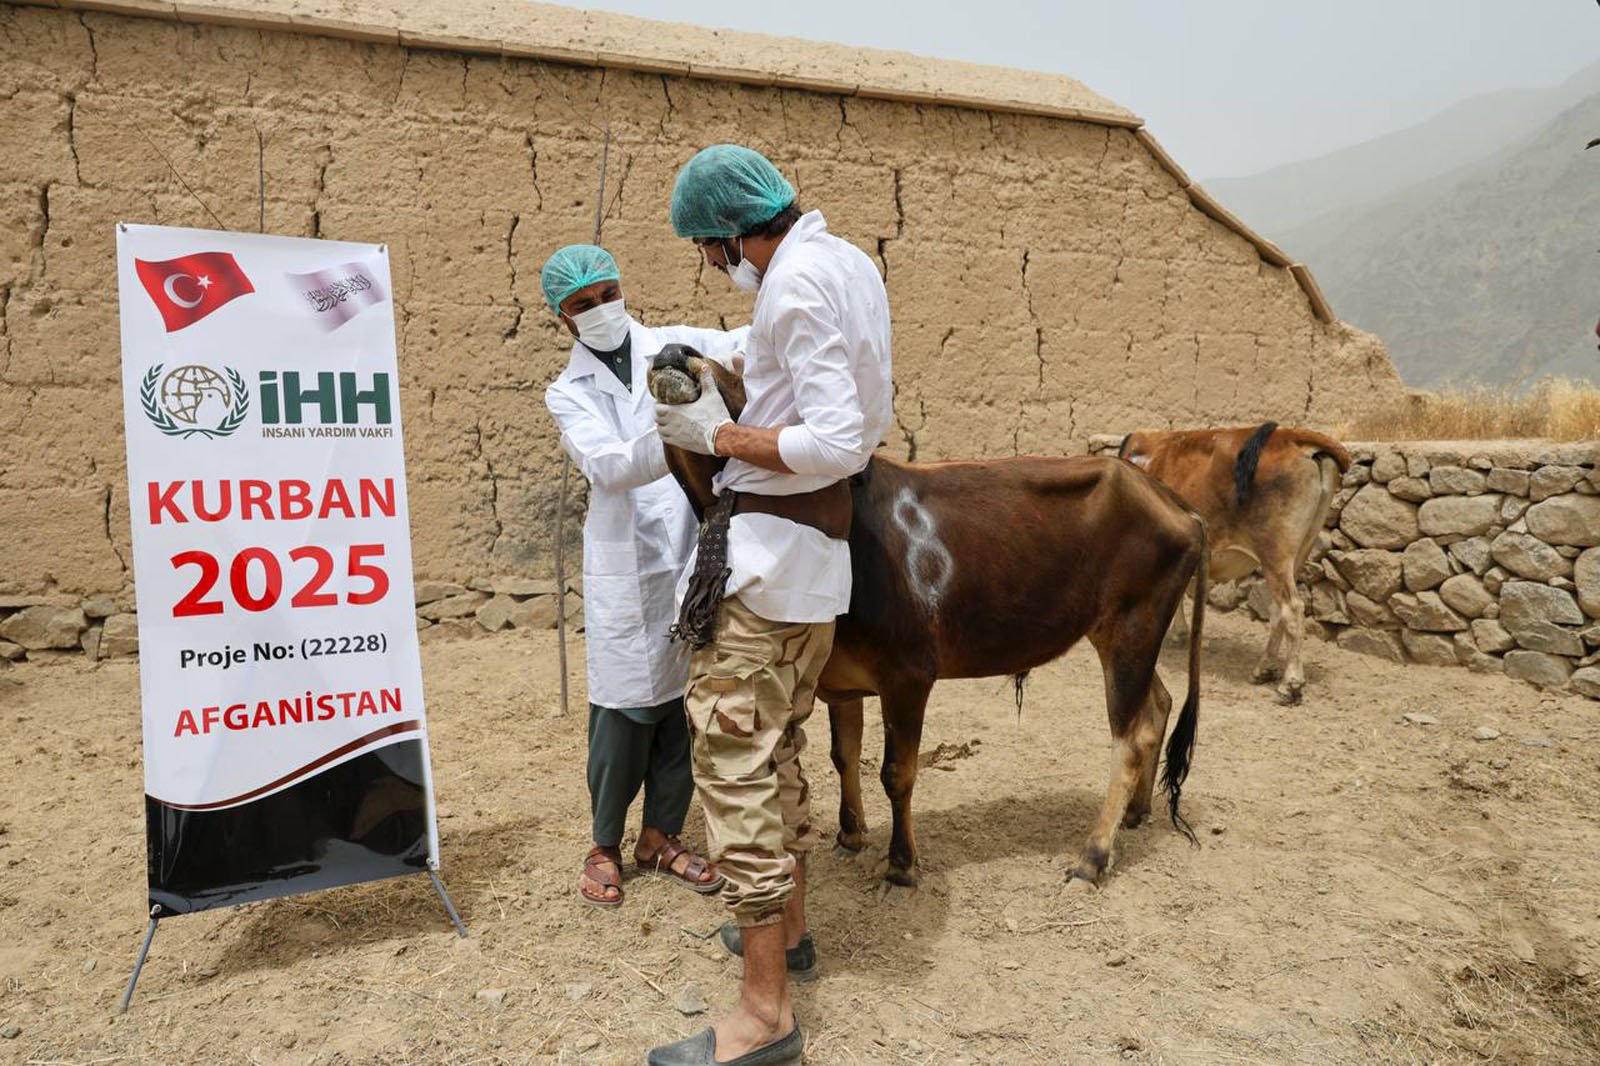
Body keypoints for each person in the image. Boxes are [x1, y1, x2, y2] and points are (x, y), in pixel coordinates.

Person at [646, 147, 893, 1066]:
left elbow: (836, 439)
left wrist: (716, 434)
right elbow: (793, 369)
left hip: (764, 566)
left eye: (707, 249)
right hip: (810, 567)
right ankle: (789, 935)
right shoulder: (845, 263)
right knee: (778, 747)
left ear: (728, 233)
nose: (711, 264)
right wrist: (717, 362)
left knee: (734, 771)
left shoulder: (791, 285)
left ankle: (764, 1014)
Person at [542, 244, 747, 909]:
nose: (601, 309)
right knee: (625, 710)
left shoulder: (674, 344)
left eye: (608, 294)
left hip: (692, 548)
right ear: (563, 317)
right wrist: (687, 427)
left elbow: (745, 346)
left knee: (682, 707)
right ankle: (604, 843)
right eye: (583, 304)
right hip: (626, 562)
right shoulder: (567, 392)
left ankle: (661, 836)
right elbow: (608, 466)